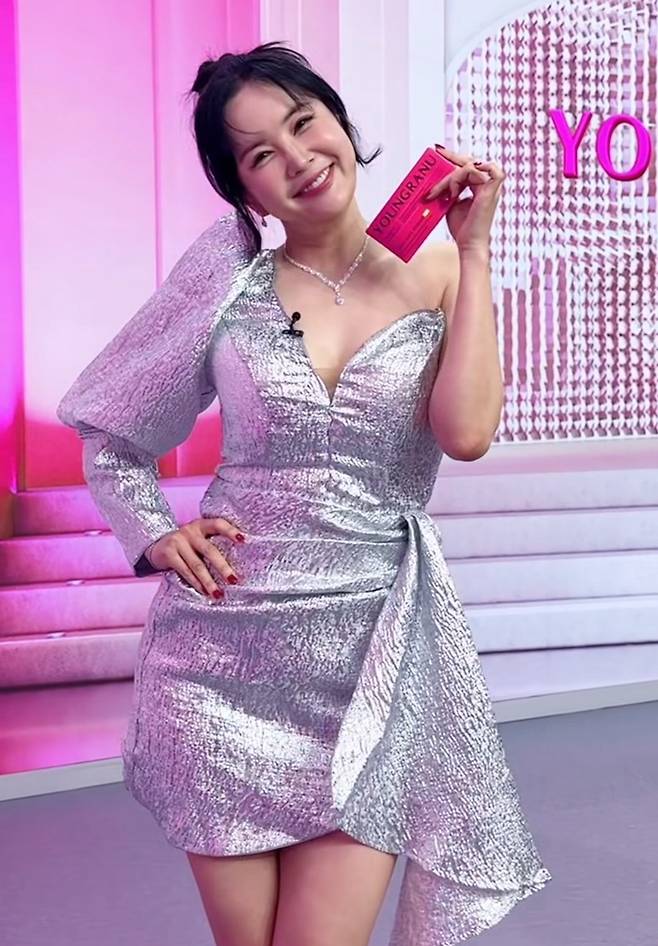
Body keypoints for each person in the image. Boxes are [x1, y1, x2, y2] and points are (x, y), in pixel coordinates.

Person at [57, 41, 551, 946]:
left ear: (340, 123)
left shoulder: (441, 272)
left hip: (370, 658)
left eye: (302, 122)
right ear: (243, 189)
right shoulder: (228, 280)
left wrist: (475, 250)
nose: (297, 158)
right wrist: (154, 532)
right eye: (259, 153)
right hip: (219, 660)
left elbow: (467, 434)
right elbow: (112, 431)